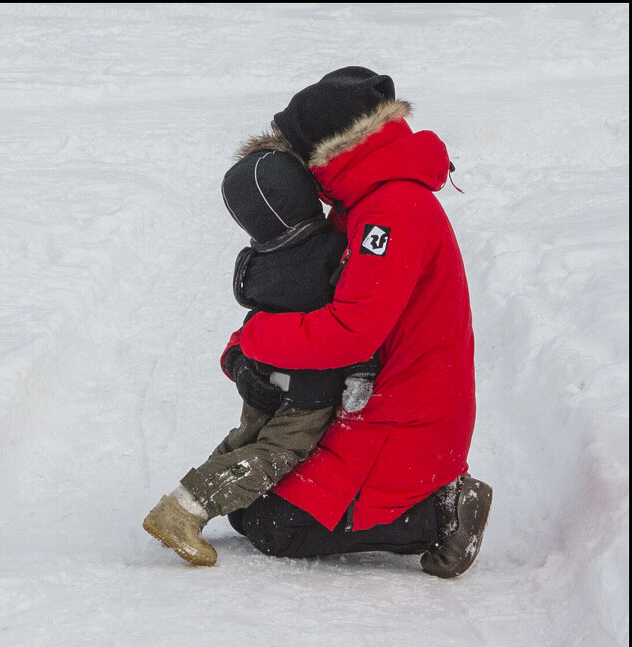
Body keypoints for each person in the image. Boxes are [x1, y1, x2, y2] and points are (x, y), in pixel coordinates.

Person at [224, 66, 492, 578]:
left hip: (405, 421)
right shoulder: (363, 203)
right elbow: (310, 302)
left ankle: (441, 510)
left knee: (271, 524)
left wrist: (256, 340)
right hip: (376, 404)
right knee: (244, 503)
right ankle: (428, 499)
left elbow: (350, 331)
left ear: (326, 148)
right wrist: (242, 349)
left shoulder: (392, 210)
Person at [142, 148, 379, 566]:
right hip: (309, 386)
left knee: (245, 438)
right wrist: (362, 370)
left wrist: (239, 361)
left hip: (264, 374)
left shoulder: (261, 258)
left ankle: (184, 499)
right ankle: (185, 510)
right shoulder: (333, 249)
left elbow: (257, 314)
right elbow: (354, 314)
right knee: (275, 454)